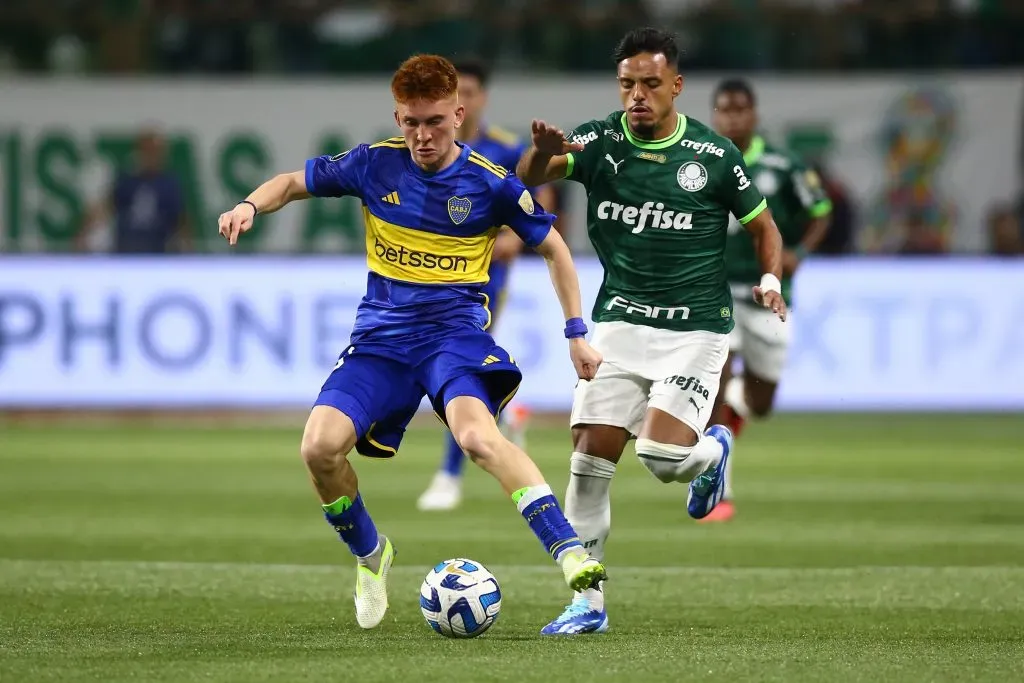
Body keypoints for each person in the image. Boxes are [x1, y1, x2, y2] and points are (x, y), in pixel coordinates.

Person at [217, 54, 607, 630]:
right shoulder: (374, 164)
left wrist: (577, 332)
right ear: (398, 117)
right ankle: (371, 554)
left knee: (477, 436)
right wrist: (250, 204)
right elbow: (291, 183)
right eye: (410, 122)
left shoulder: (491, 183)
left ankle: (570, 552)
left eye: (434, 122)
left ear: (458, 111)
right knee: (318, 450)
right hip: (381, 341)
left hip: (453, 337)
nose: (423, 136)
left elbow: (554, 248)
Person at [517, 27, 786, 635]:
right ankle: (588, 604)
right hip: (618, 323)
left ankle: (713, 451)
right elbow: (531, 175)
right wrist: (541, 151)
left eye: (650, 84)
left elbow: (764, 227)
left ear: (677, 87)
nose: (636, 95)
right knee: (588, 461)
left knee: (663, 458)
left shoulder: (715, 157)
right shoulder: (600, 140)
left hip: (695, 329)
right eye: (627, 84)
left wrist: (770, 279)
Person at [417, 57, 558, 512]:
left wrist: (509, 237)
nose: (464, 101)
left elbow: (541, 202)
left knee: (458, 372)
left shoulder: (503, 148)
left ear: (482, 98)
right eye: (456, 93)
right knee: (456, 374)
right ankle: (506, 417)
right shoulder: (425, 148)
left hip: (482, 284)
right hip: (429, 280)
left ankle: (449, 475)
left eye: (470, 92)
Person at [704, 79, 833, 522]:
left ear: (754, 116)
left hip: (768, 297)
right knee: (715, 380)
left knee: (761, 403)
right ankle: (718, 490)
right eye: (724, 111)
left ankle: (739, 407)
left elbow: (820, 210)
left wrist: (799, 252)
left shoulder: (783, 165)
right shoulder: (701, 161)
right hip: (715, 292)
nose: (732, 118)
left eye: (740, 111)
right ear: (715, 115)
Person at [76, 129, 190, 254]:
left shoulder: (169, 186)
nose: (151, 157)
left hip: (156, 252)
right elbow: (106, 207)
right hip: (126, 250)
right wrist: (83, 234)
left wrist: (189, 250)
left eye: (155, 152)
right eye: (147, 151)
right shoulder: (128, 181)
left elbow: (180, 220)